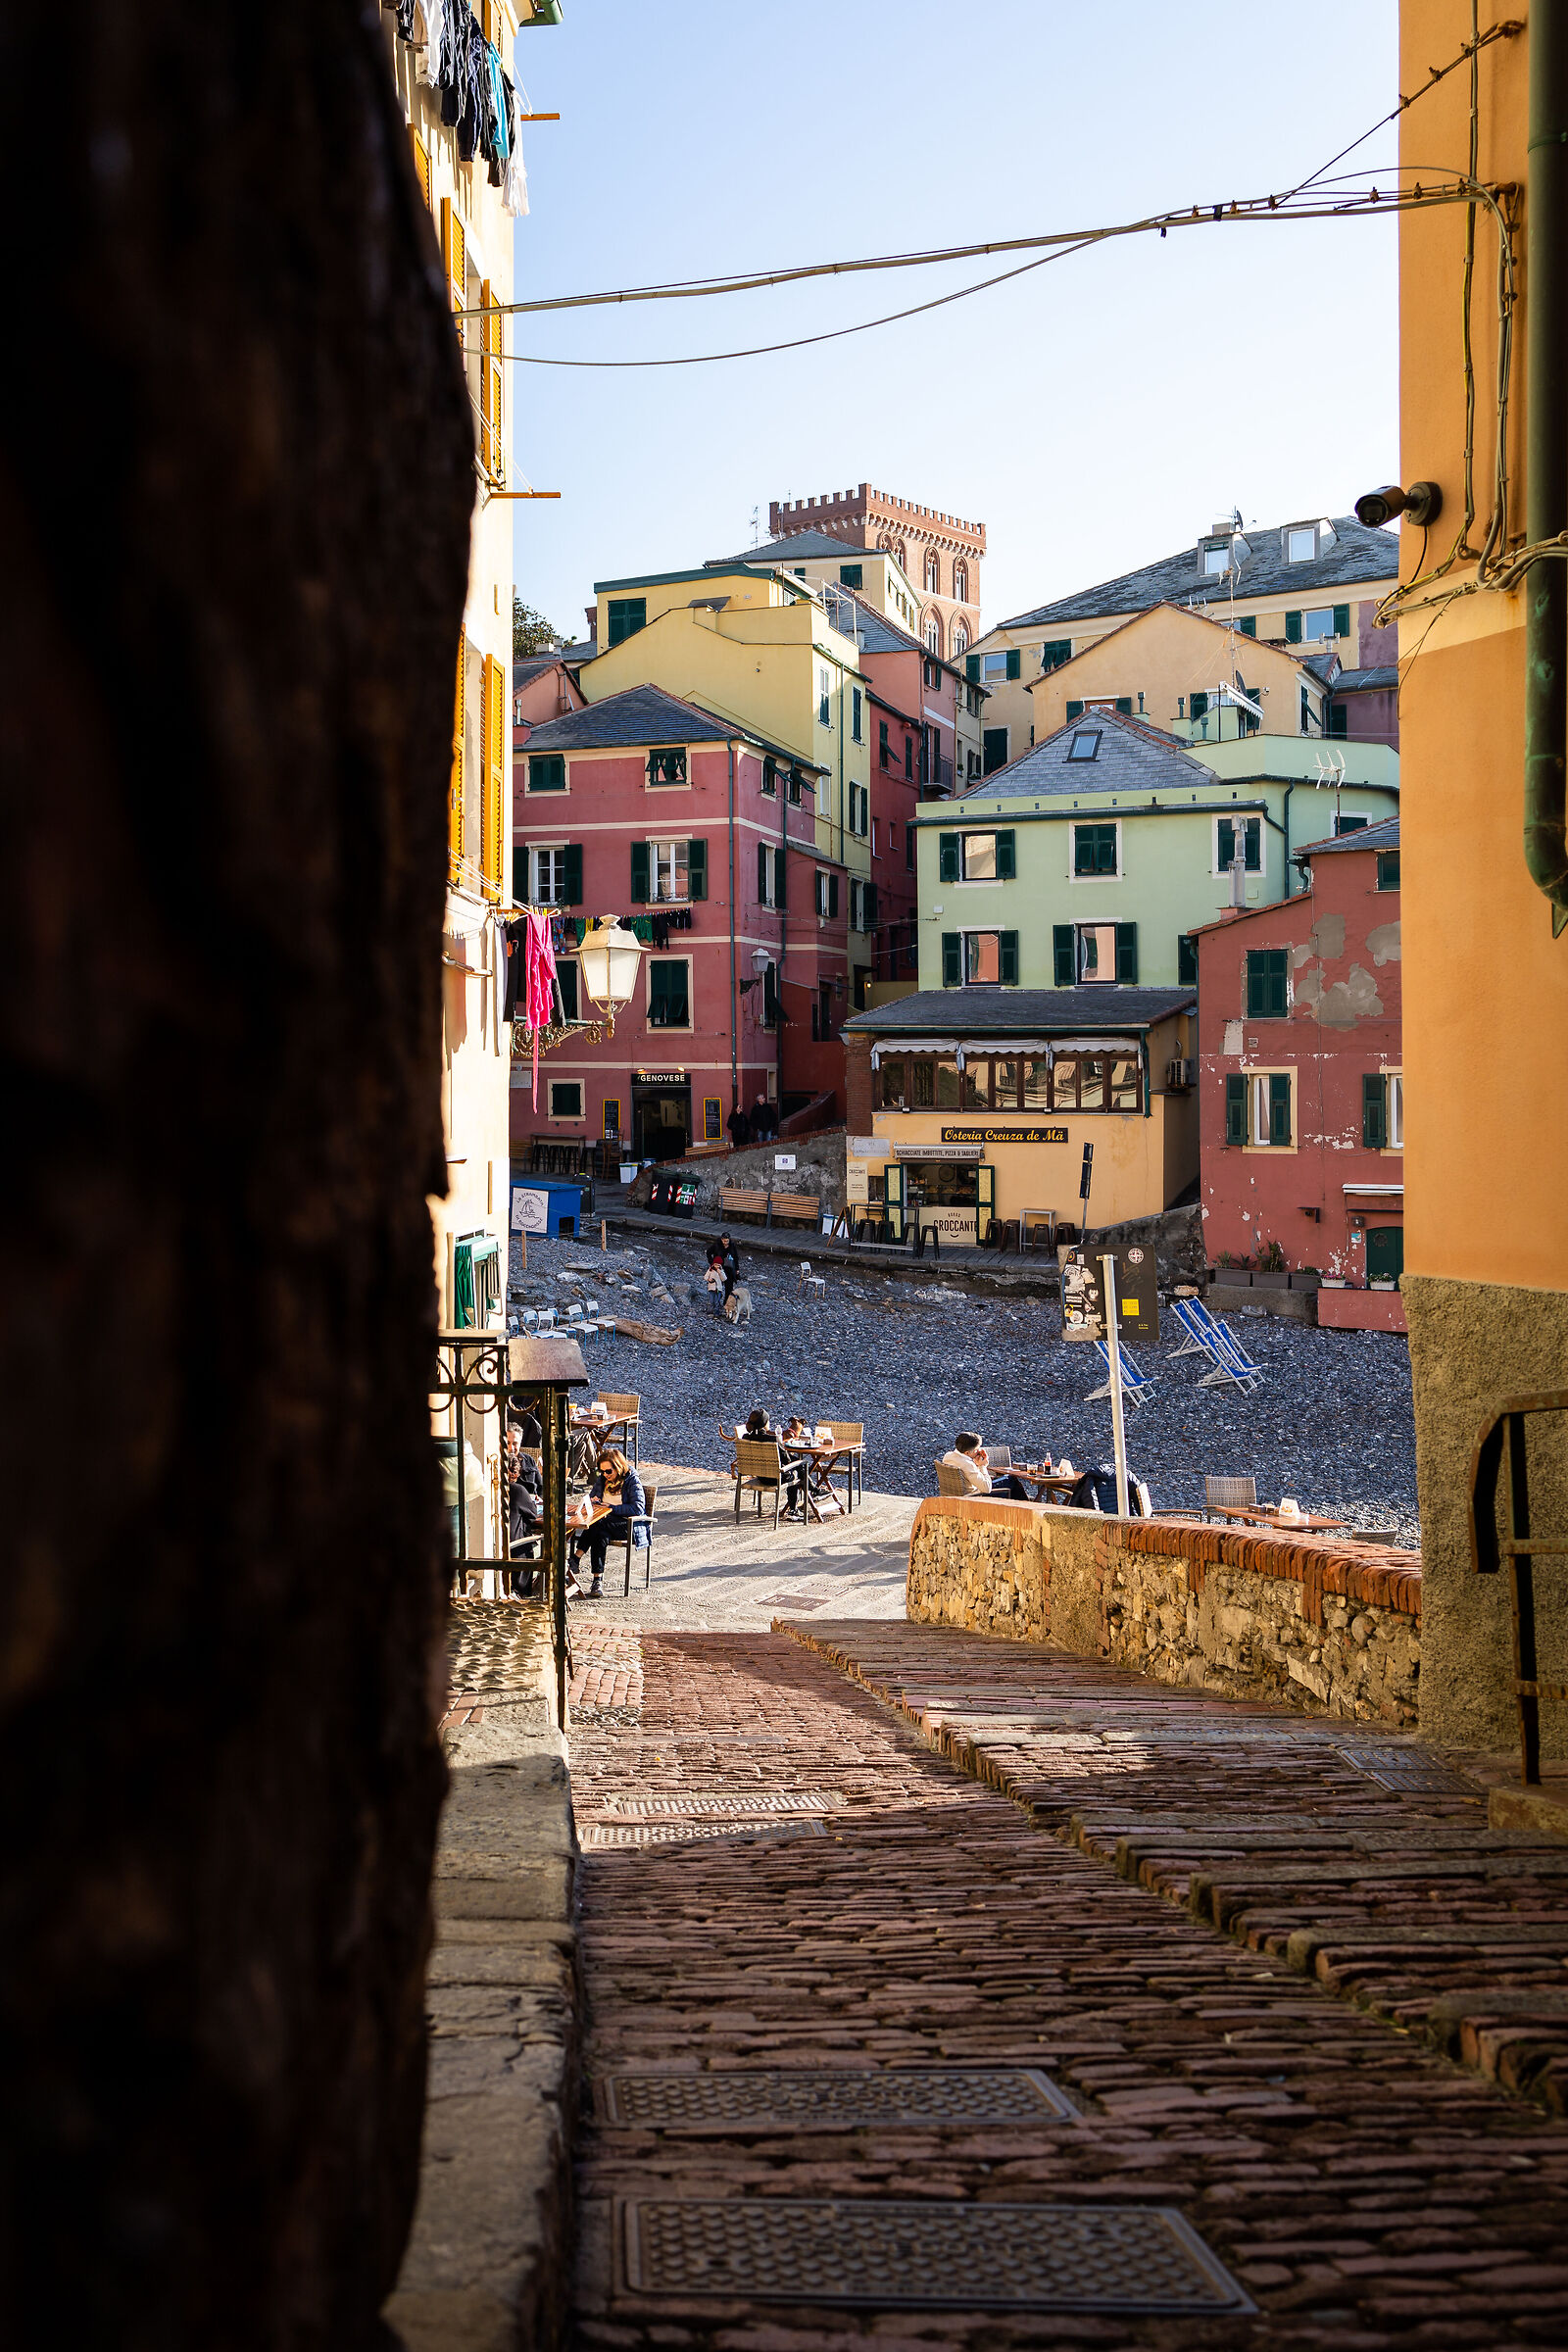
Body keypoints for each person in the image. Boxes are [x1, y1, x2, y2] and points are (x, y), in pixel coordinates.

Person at [569, 1444, 647, 1598]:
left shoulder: (631, 1479)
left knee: (598, 1524)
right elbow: (592, 1497)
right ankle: (597, 1581)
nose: (605, 1474)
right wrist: (594, 1501)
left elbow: (637, 1508)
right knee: (600, 1533)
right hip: (604, 1522)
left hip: (629, 1523)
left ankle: (575, 1557)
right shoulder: (602, 1479)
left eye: (608, 1471)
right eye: (601, 1471)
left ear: (618, 1467)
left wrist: (611, 1508)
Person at [939, 1431, 1031, 1501]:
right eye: (977, 1449)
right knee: (1011, 1480)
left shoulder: (948, 1456)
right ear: (967, 1452)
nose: (979, 1451)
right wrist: (982, 1466)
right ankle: (1027, 1509)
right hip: (973, 1497)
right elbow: (986, 1488)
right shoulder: (967, 1464)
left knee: (1004, 1480)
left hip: (954, 1495)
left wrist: (976, 1463)